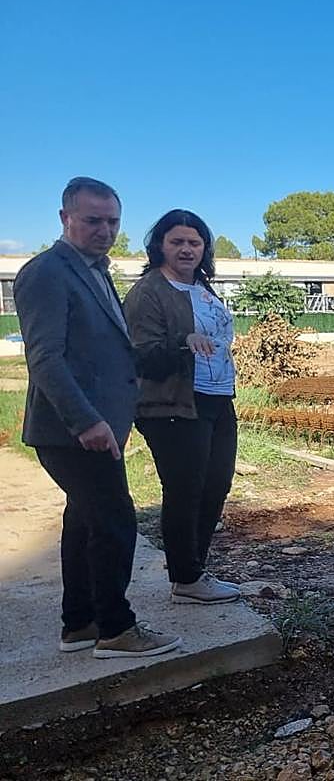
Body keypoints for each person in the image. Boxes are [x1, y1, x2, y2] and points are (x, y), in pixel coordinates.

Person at [14, 177, 181, 658]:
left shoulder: (95, 270)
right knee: (114, 522)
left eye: (112, 221)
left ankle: (80, 623)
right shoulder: (47, 272)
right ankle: (116, 628)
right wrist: (86, 421)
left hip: (99, 426)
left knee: (84, 521)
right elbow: (46, 358)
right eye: (92, 220)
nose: (104, 230)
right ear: (65, 218)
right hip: (74, 430)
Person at [124, 209, 241, 604]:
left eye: (194, 242)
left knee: (215, 486)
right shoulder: (149, 292)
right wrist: (182, 342)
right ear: (160, 245)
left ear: (204, 247)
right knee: (185, 490)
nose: (187, 249)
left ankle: (193, 573)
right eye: (177, 242)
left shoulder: (203, 286)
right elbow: (140, 355)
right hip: (173, 404)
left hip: (216, 398)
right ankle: (186, 577)